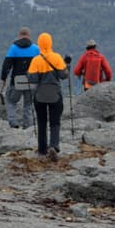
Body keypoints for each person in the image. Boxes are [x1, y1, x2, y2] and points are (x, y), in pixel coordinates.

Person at [27, 32, 70, 160]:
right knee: (55, 122)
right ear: (51, 43)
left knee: (41, 122)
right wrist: (67, 64)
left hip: (40, 95)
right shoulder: (57, 58)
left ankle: (41, 150)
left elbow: (32, 79)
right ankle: (54, 146)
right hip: (55, 94)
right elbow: (64, 76)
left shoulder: (36, 60)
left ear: (39, 44)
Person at [0, 27, 39, 129]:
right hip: (32, 81)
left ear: (19, 36)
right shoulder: (36, 49)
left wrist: (3, 80)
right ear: (29, 36)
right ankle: (28, 125)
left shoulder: (13, 48)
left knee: (10, 100)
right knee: (28, 104)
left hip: (17, 81)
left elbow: (6, 66)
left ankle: (13, 122)